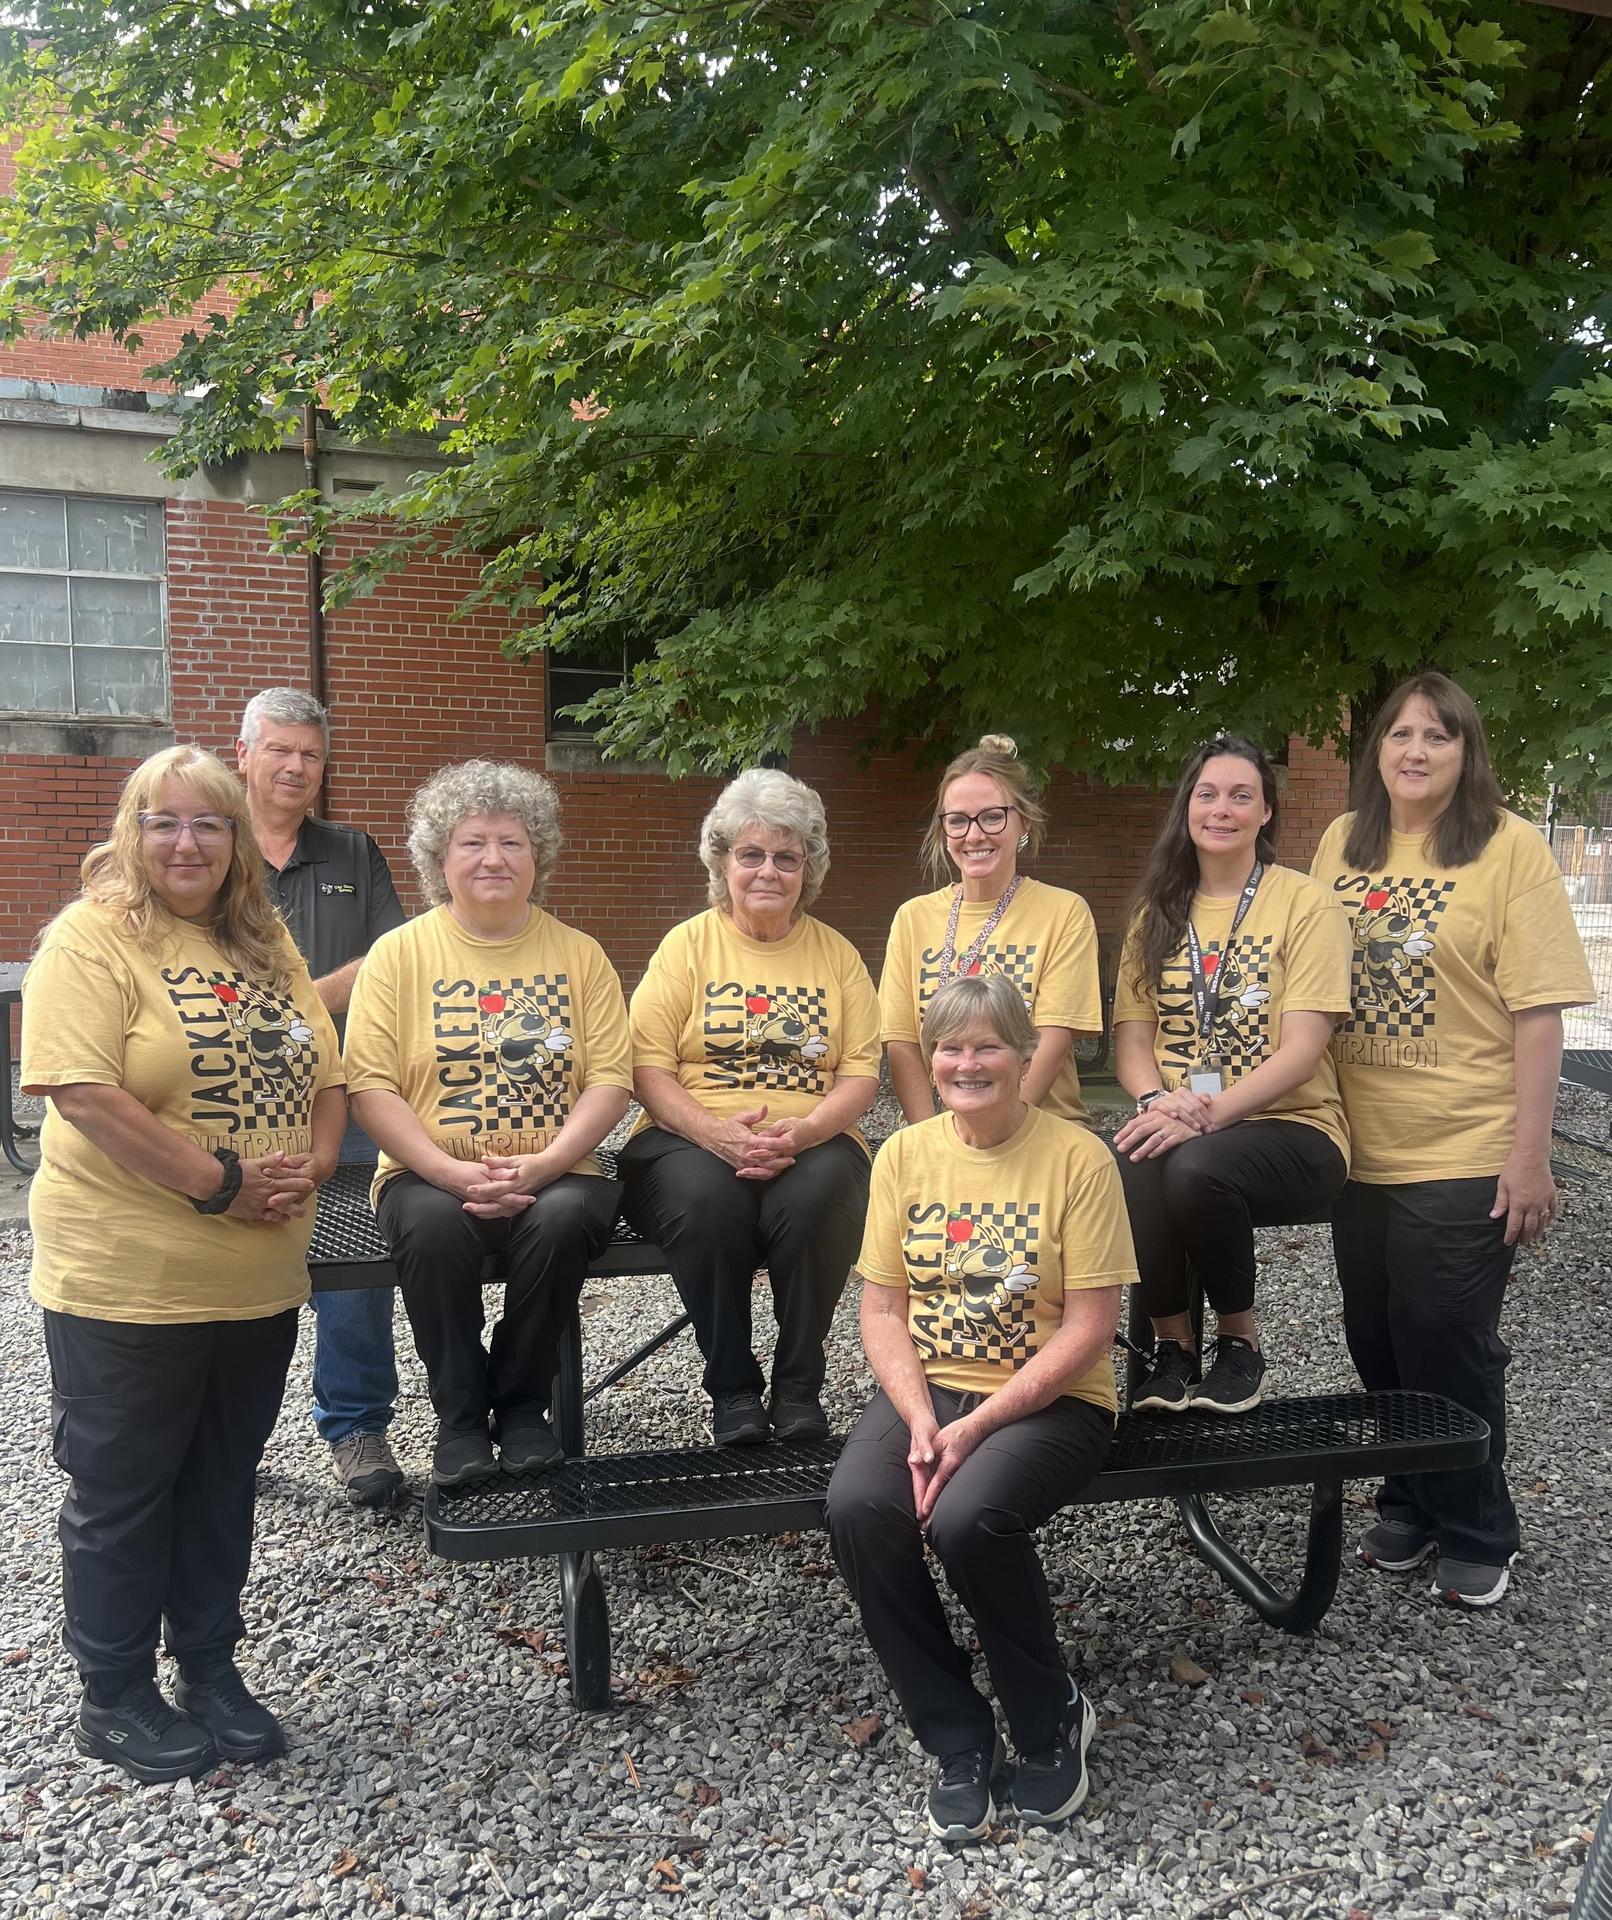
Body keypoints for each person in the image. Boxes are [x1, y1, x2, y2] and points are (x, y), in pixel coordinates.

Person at [22, 745, 346, 1783]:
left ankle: (208, 1668)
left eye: (208, 823)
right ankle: (112, 1694)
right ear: (131, 831)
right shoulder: (91, 939)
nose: (186, 842)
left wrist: (318, 1165)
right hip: (129, 1279)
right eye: (162, 821)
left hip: (253, 1281)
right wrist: (221, 1183)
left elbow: (327, 1070)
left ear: (238, 837)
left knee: (220, 1479)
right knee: (124, 1487)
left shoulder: (264, 942)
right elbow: (81, 1090)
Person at [825, 974, 1135, 1841]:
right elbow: (882, 1310)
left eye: (988, 1045)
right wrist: (923, 1417)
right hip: (933, 1387)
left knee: (968, 1520)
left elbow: (1089, 1329)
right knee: (858, 1508)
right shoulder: (904, 1155)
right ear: (931, 1060)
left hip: (1053, 1397)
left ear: (1026, 1054)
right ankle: (958, 1737)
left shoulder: (1078, 1157)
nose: (968, 1063)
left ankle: (1050, 1722)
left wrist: (976, 1424)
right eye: (952, 1048)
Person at [1311, 671, 1593, 1609]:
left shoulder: (1509, 850)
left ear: (1466, 752)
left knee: (1446, 1337)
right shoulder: (1339, 846)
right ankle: (1413, 1494)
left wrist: (1530, 1152)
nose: (1416, 751)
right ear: (1376, 751)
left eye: (1438, 735)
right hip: (1360, 1145)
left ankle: (1476, 1524)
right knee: (1376, 1337)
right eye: (1399, 734)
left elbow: (1539, 1013)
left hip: (1468, 1145)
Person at [343, 761, 632, 1488]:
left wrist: (546, 1162)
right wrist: (445, 1170)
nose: (494, 858)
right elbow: (371, 1087)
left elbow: (609, 1082)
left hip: (560, 1168)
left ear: (539, 855)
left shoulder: (580, 955)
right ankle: (463, 1420)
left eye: (513, 842)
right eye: (474, 842)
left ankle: (525, 1406)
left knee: (563, 1216)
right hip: (426, 1173)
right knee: (435, 1227)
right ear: (441, 859)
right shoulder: (398, 956)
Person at [621, 768, 881, 1446]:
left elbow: (859, 1073)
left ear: (807, 869)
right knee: (707, 1202)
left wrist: (809, 1130)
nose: (769, 871)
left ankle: (798, 1387)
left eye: (786, 858)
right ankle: (733, 1389)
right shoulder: (687, 947)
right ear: (723, 861)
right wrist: (714, 1133)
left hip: (813, 1134)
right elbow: (645, 1067)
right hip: (685, 1134)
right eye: (752, 854)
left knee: (819, 1196)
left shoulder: (839, 957)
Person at [1112, 736, 1352, 1414]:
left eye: (1241, 795)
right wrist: (1160, 1101)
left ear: (1266, 812)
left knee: (1195, 1167)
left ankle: (1240, 1344)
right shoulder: (1155, 912)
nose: (1222, 809)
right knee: (1126, 1157)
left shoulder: (1304, 904)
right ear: (1187, 807)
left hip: (1295, 1128)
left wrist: (1209, 1113)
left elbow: (1303, 1048)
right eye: (1208, 793)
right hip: (1186, 1115)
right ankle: (1173, 1350)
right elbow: (1133, 1039)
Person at [237, 688, 408, 1509]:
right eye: (280, 749)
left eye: (310, 753)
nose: (297, 766)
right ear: (245, 754)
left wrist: (281, 999)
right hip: (229, 1102)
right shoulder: (209, 849)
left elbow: (389, 958)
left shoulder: (353, 852)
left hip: (343, 1094)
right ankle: (228, 1436)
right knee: (231, 1263)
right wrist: (306, 999)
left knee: (354, 1269)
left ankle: (356, 1430)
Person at [881, 734, 1102, 1129]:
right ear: (943, 831)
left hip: (1037, 1126)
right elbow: (901, 1043)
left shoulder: (1064, 913)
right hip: (935, 1131)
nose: (974, 834)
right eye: (958, 821)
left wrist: (992, 1134)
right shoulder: (913, 918)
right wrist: (930, 1137)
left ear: (1024, 822)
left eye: (993, 816)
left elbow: (1053, 1039)